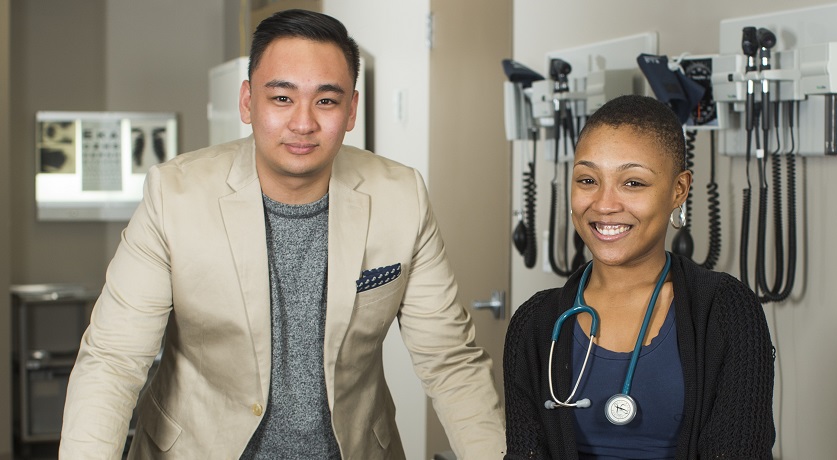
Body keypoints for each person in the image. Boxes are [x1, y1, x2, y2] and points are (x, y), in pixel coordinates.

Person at [60, 9, 505, 459]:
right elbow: (113, 361)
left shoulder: (401, 197)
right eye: (281, 98)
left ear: (351, 110)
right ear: (247, 102)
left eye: (326, 101)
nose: (303, 123)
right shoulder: (174, 194)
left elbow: (450, 361)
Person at [503, 95, 775, 459]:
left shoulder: (726, 311)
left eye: (633, 183)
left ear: (679, 190)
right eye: (587, 179)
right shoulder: (534, 323)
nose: (604, 204)